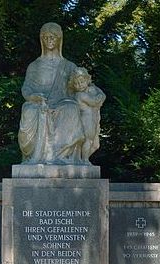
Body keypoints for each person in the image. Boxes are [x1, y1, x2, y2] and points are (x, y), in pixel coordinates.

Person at [18, 22, 85, 164]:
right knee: (29, 111)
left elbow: (80, 87)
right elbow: (26, 88)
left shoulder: (69, 66)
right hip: (38, 103)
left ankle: (62, 156)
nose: (49, 40)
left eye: (53, 37)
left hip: (62, 103)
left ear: (59, 39)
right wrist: (33, 97)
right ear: (41, 40)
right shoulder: (34, 65)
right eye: (46, 37)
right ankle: (36, 157)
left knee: (71, 109)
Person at [68, 67, 106, 161]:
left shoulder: (89, 90)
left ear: (87, 80)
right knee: (88, 140)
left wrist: (95, 89)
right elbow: (94, 101)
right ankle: (84, 160)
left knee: (95, 145)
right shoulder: (80, 95)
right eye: (76, 84)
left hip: (95, 120)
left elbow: (103, 96)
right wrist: (98, 95)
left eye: (82, 82)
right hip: (86, 120)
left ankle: (81, 160)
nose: (79, 85)